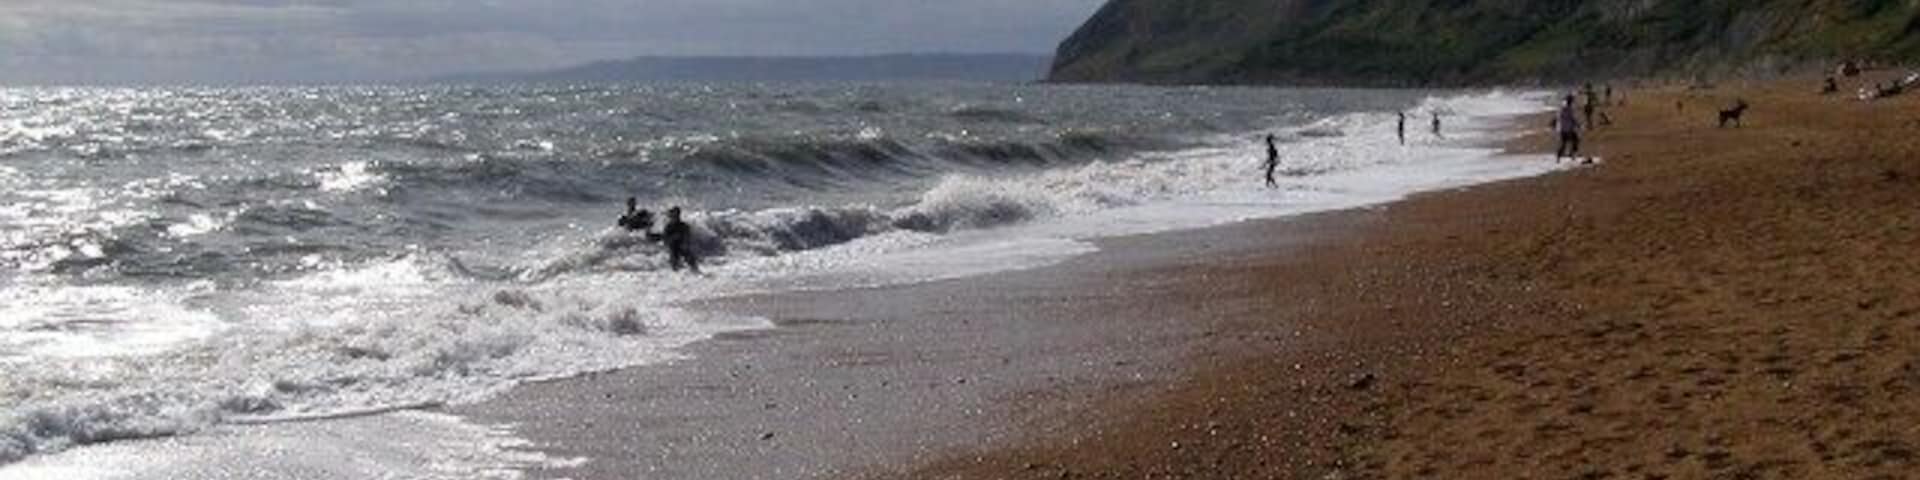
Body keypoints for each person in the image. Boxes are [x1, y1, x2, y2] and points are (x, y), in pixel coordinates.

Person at [659, 206, 700, 273]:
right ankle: (676, 277)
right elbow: (665, 239)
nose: (675, 217)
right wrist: (671, 240)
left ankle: (696, 274)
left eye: (676, 215)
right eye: (673, 215)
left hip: (682, 247)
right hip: (673, 247)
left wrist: (685, 244)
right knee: (674, 265)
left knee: (691, 261)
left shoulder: (684, 226)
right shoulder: (668, 227)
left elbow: (688, 237)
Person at [1553, 94, 1582, 162]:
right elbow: (1572, 118)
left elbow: (1558, 117)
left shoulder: (1562, 108)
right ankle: (1572, 155)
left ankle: (1558, 157)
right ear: (1571, 101)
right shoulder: (1569, 109)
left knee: (1563, 143)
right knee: (1576, 140)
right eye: (1572, 100)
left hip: (1562, 129)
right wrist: (1578, 125)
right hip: (1569, 129)